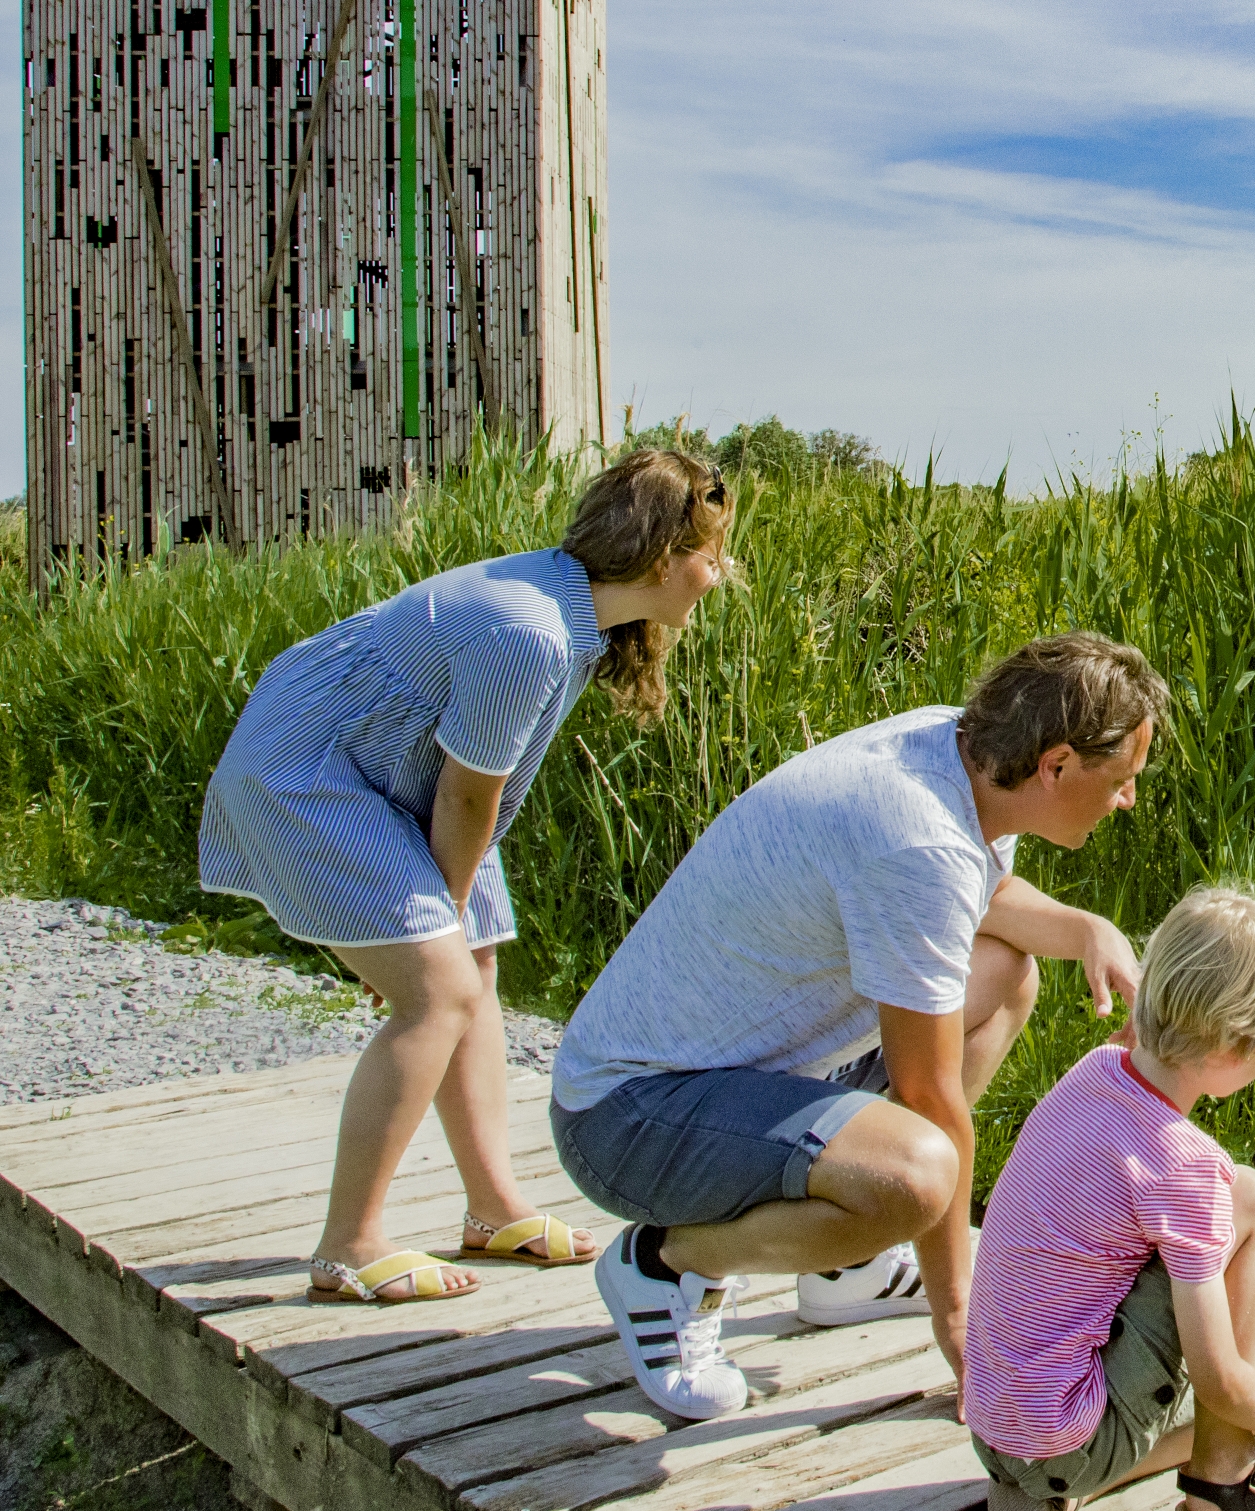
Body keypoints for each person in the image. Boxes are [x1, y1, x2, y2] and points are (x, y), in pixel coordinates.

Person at [556, 633, 1163, 1418]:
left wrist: (1086, 929)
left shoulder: (960, 752)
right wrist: (960, 1322)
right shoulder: (919, 841)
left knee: (1006, 975)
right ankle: (667, 1262)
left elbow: (973, 900)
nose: (1128, 801)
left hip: (731, 1079)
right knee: (914, 1177)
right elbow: (929, 1097)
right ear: (1055, 766)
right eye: (1122, 780)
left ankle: (847, 1269)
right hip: (627, 1118)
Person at [198, 450, 733, 1305]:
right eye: (713, 555)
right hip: (306, 772)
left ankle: (493, 1209)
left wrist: (443, 930)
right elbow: (468, 793)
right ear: (666, 559)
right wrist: (427, 930)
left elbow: (469, 795)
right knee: (439, 991)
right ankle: (350, 1244)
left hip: (377, 772)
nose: (720, 575)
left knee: (473, 966)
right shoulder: (527, 632)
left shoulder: (573, 616)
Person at [965, 885, 1255, 1511]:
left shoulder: (1095, 1072)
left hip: (996, 1426)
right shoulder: (1186, 1167)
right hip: (1065, 1437)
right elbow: (1217, 1379)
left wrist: (1250, 1391)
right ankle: (1223, 1483)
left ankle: (1057, 1487)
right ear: (1235, 1047)